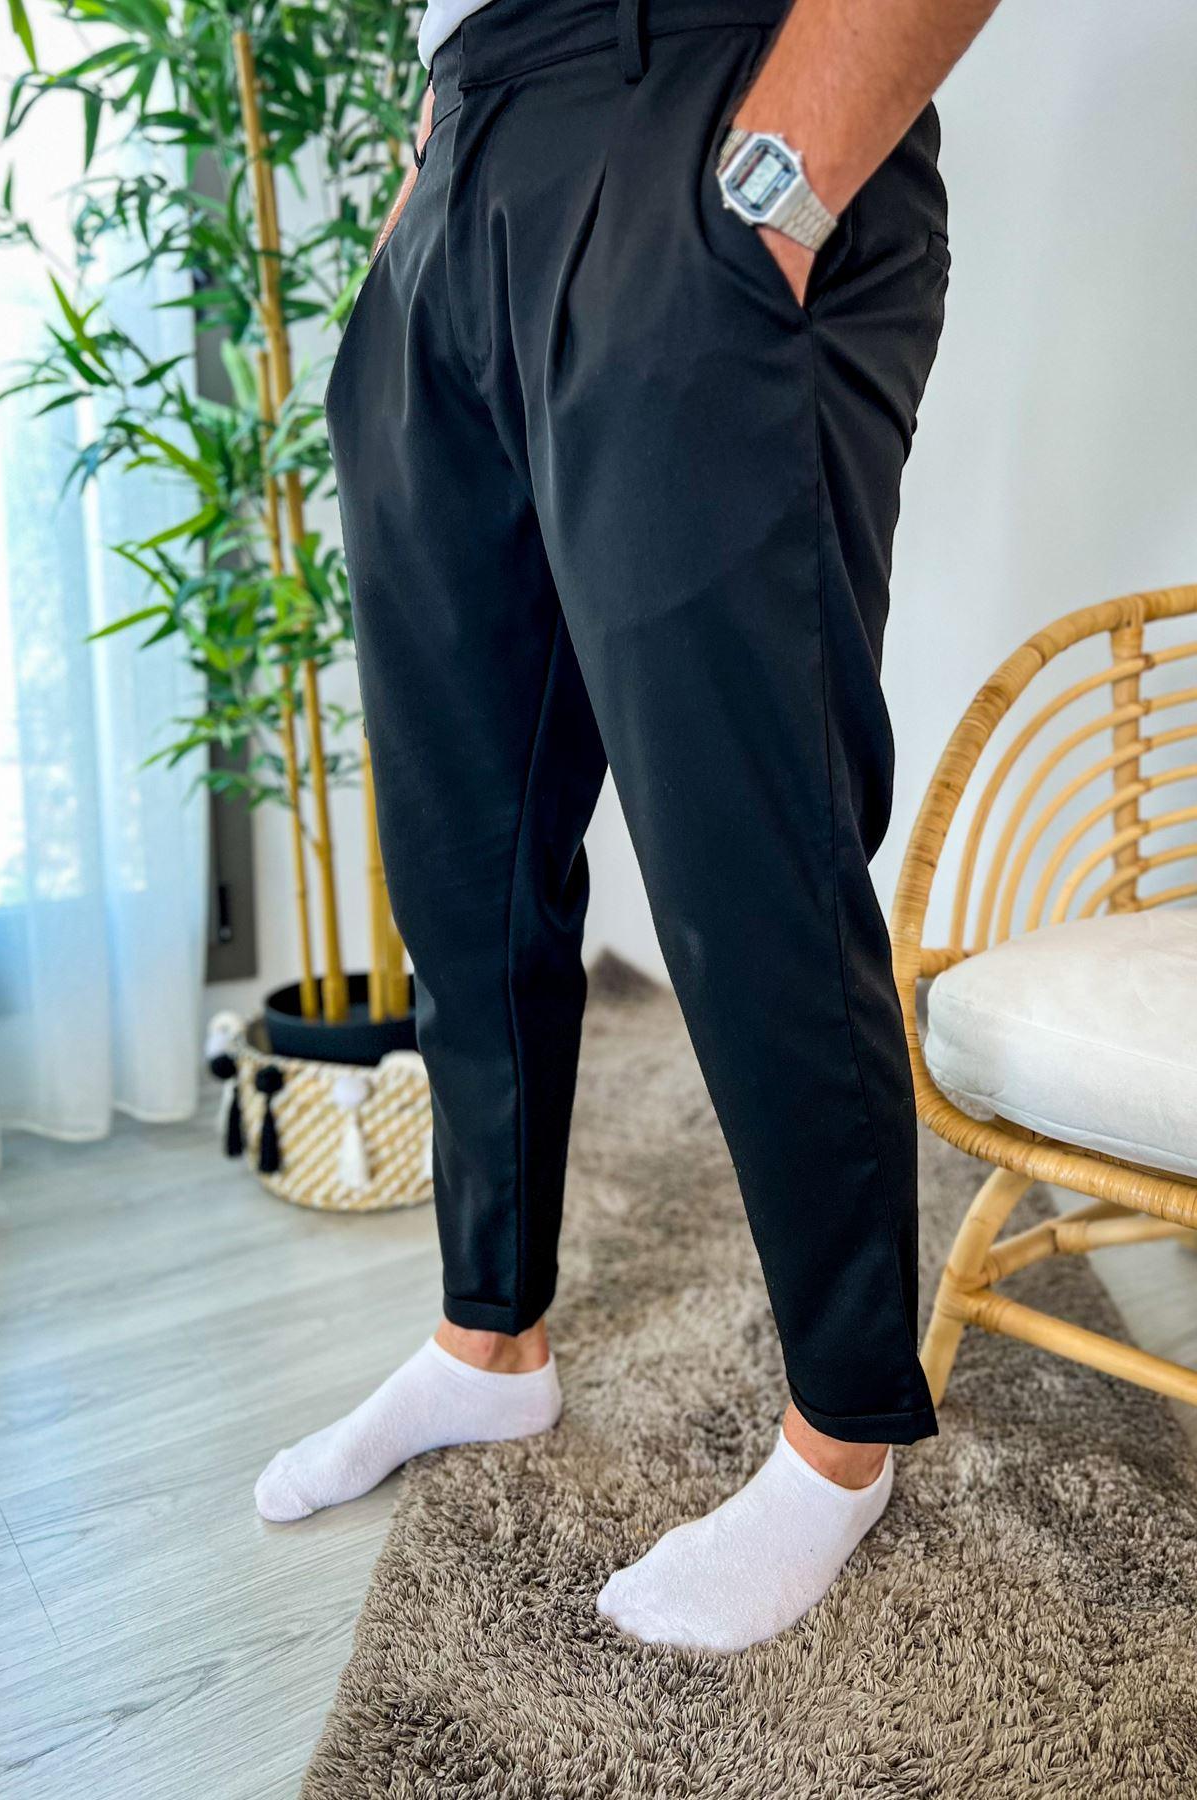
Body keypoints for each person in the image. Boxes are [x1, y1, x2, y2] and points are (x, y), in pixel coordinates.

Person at [256, 0, 1002, 1653]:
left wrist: (775, 185)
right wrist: (424, 196)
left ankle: (843, 1435)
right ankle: (486, 1341)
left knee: (747, 847)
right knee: (460, 847)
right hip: (465, 150)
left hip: (702, 102)